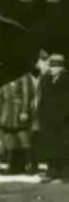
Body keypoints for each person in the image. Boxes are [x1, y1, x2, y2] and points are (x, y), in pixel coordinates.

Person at [35, 54, 69, 183]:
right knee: (50, 147)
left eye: (56, 67)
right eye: (52, 66)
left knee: (64, 149)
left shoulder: (66, 79)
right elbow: (42, 98)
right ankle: (53, 172)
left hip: (63, 120)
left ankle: (66, 174)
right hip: (48, 120)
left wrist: (62, 115)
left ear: (62, 67)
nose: (53, 69)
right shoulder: (46, 79)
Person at [0, 68, 35, 174]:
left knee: (23, 139)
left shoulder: (24, 75)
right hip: (7, 112)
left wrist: (24, 111)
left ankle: (30, 165)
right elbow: (1, 96)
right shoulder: (5, 76)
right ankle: (13, 166)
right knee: (9, 140)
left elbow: (26, 94)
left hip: (18, 110)